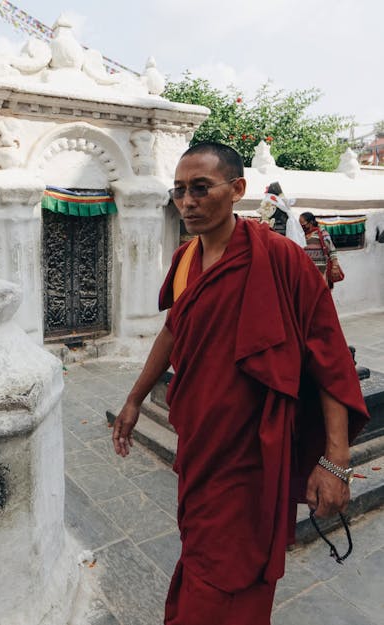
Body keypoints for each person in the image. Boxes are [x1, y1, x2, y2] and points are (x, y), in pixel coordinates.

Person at [112, 142, 368, 625]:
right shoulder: (186, 259)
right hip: (202, 444)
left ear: (237, 190)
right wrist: (134, 398)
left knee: (233, 573)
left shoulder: (281, 259)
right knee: (202, 549)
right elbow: (174, 329)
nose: (187, 202)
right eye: (180, 190)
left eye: (200, 189)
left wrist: (336, 460)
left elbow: (328, 357)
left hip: (255, 451)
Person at [299, 211, 341, 287]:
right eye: (300, 224)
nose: (301, 226)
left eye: (303, 224)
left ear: (310, 222)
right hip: (307, 272)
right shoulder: (300, 235)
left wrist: (335, 266)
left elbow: (332, 250)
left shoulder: (322, 233)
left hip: (321, 272)